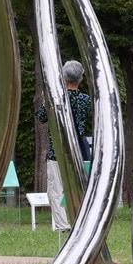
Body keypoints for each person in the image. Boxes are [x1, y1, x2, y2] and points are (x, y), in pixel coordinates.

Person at [36, 60, 93, 231]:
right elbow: (89, 123)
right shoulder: (86, 100)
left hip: (57, 150)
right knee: (81, 187)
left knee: (56, 190)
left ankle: (63, 225)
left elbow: (41, 117)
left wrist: (45, 100)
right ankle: (82, 220)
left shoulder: (55, 99)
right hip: (79, 150)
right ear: (81, 78)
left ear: (63, 77)